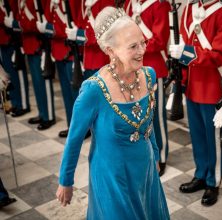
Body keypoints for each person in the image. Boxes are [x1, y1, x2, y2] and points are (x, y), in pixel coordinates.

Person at [56, 6, 170, 220]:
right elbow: (74, 140)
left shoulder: (149, 75)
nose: (142, 51)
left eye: (142, 42)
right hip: (112, 177)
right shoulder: (93, 90)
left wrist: (154, 153)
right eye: (133, 46)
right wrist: (66, 181)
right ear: (111, 51)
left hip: (145, 170)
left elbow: (148, 123)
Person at [169, 0, 222, 206]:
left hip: (212, 85)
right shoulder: (189, 7)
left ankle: (213, 182)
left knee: (212, 138)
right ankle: (201, 174)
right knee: (196, 134)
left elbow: (219, 54)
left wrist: (186, 53)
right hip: (192, 83)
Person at [124, 0, 171, 176]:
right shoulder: (130, 3)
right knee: (138, 115)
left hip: (154, 68)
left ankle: (162, 156)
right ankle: (145, 153)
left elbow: (158, 41)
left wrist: (132, 50)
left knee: (156, 117)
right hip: (134, 69)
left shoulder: (159, 4)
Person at [4, 0, 56, 130]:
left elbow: (40, 22)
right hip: (28, 44)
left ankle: (49, 116)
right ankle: (42, 113)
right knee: (37, 84)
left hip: (38, 45)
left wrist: (18, 24)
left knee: (43, 82)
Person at [40, 0, 78, 137]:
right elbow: (51, 21)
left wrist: (50, 28)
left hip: (69, 52)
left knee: (75, 95)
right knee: (66, 94)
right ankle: (71, 125)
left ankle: (80, 129)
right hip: (58, 51)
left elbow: (70, 26)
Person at [1, 0, 30, 117]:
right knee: (9, 75)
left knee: (19, 75)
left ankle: (23, 104)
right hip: (3, 40)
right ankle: (15, 102)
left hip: (13, 41)